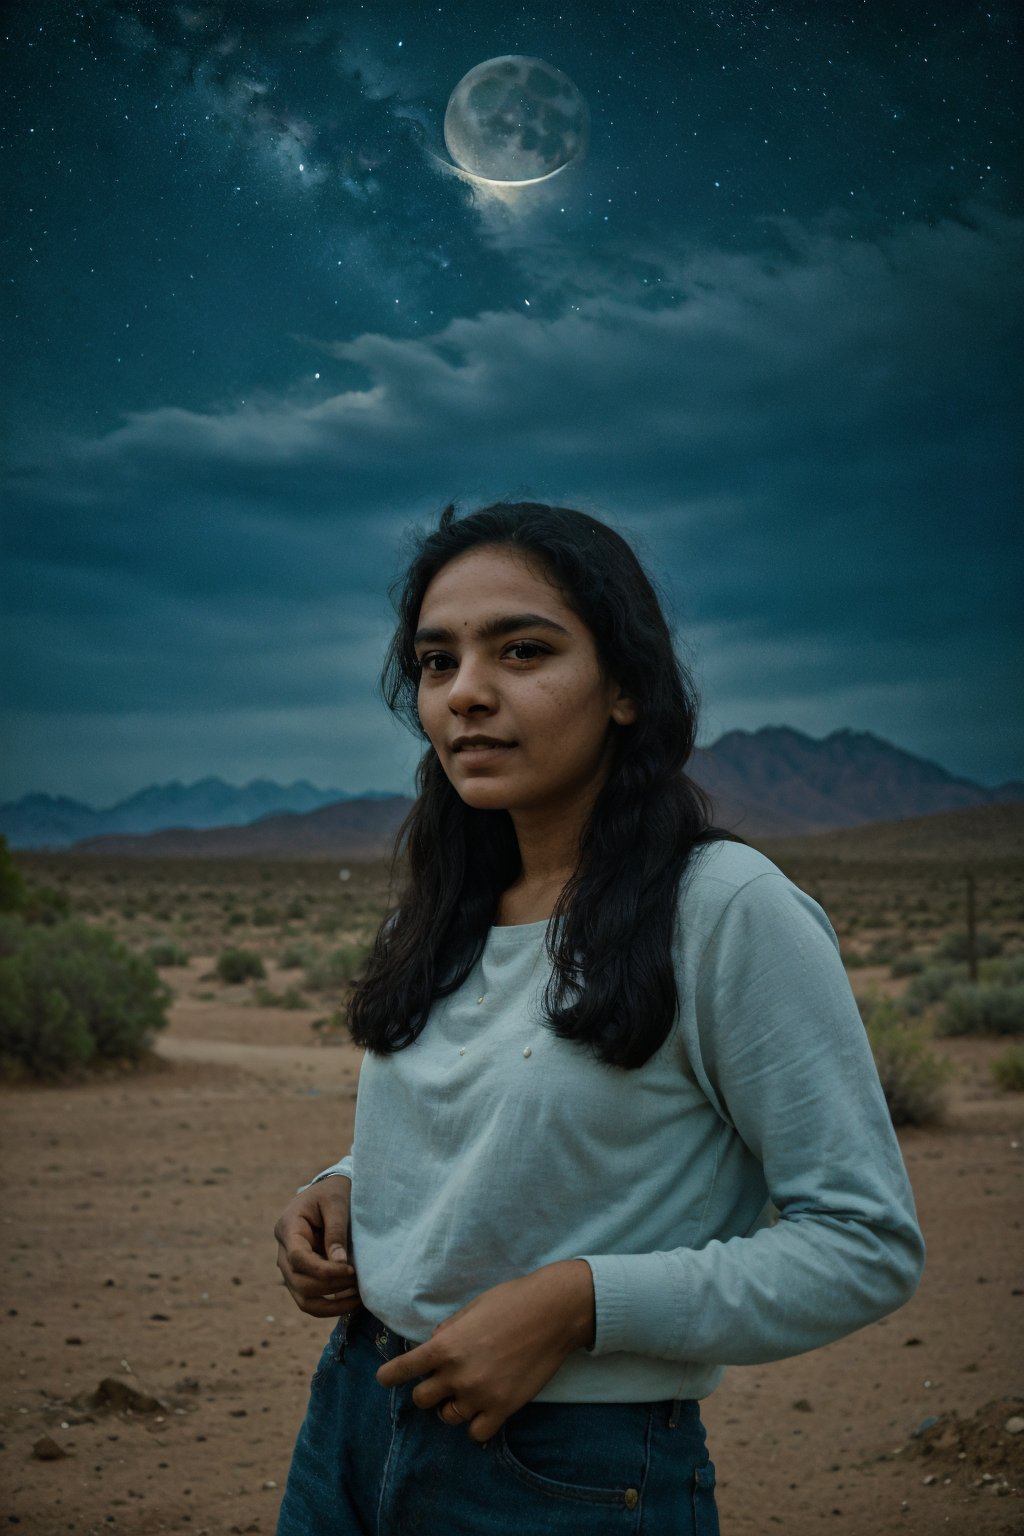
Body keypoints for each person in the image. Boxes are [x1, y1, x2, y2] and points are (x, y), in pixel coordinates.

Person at [273, 501, 925, 1535]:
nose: (467, 695)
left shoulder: (722, 910)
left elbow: (866, 1241)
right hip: (354, 1416)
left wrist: (578, 1303)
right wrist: (349, 1187)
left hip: (565, 1471)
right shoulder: (441, 907)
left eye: (522, 650)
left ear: (625, 685)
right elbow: (521, 1130)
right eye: (436, 663)